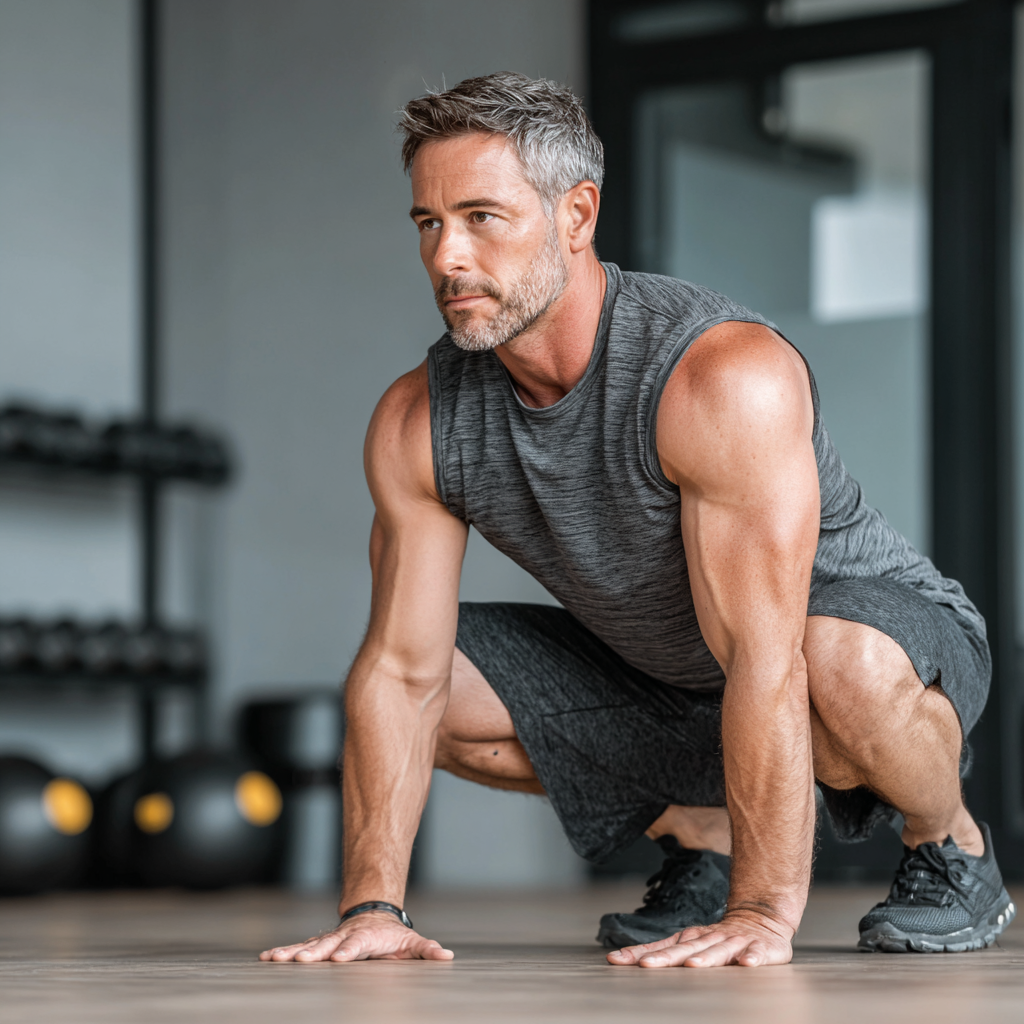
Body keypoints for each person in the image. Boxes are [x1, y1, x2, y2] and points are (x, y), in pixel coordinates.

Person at [261, 73, 1014, 969]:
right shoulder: (419, 421)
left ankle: (949, 844)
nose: (447, 258)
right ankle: (701, 832)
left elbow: (765, 661)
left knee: (832, 658)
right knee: (440, 688)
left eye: (481, 218)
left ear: (576, 215)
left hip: (853, 647)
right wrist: (372, 905)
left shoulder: (717, 375)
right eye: (429, 224)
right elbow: (400, 673)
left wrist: (763, 915)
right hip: (674, 674)